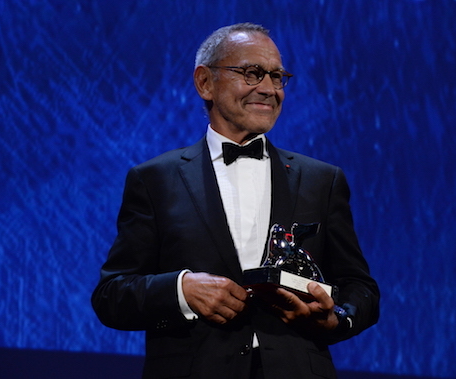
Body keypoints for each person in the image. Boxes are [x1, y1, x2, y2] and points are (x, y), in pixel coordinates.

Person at [91, 23, 380, 379]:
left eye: (277, 77)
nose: (269, 89)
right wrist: (182, 289)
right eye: (252, 73)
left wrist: (335, 317)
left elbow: (361, 288)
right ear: (205, 83)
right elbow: (111, 296)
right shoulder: (154, 180)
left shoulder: (322, 180)